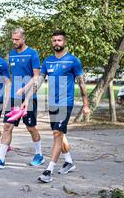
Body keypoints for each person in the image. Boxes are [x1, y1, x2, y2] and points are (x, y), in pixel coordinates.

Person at [23, 30, 90, 182]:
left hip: (65, 103)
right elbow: (39, 81)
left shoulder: (73, 60)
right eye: (54, 40)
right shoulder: (47, 61)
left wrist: (85, 104)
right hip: (52, 103)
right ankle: (69, 162)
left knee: (57, 134)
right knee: (60, 133)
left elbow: (81, 83)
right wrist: (27, 98)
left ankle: (49, 170)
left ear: (64, 42)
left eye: (59, 40)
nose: (56, 43)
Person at [0, 28, 44, 169]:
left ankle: (39, 154)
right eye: (13, 39)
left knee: (30, 127)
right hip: (13, 97)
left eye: (17, 39)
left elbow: (36, 76)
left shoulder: (33, 54)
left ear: (23, 38)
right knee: (7, 126)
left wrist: (25, 91)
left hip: (29, 97)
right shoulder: (11, 54)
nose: (14, 42)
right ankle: (0, 159)